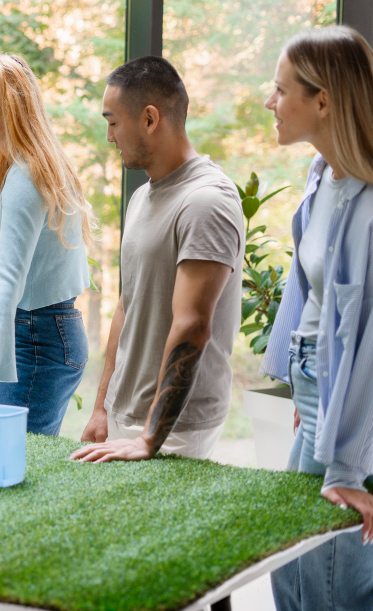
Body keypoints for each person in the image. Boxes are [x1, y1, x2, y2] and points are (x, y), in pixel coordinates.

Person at [258, 26, 373, 611]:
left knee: (329, 589)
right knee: (289, 573)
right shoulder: (322, 180)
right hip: (317, 391)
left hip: (355, 414)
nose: (269, 102)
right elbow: (311, 303)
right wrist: (302, 395)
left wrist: (349, 465)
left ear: (322, 101)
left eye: (280, 90)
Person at [70, 56, 244, 463]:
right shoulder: (142, 196)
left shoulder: (205, 202)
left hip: (176, 429)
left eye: (113, 122)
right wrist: (103, 406)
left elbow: (193, 326)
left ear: (150, 119)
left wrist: (150, 438)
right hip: (125, 416)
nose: (109, 137)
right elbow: (127, 305)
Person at [0, 53, 93, 436]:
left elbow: (6, 282)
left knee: (14, 459)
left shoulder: (26, 178)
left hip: (36, 339)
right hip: (45, 333)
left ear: (12, 111)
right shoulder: (37, 167)